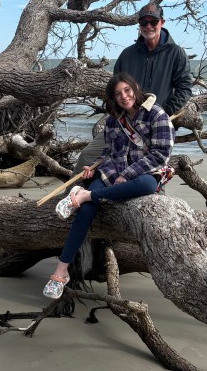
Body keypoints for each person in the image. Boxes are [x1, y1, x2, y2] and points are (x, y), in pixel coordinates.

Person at [44, 72, 173, 299]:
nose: (124, 97)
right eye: (118, 94)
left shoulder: (157, 114)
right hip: (112, 173)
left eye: (127, 90)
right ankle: (61, 270)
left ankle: (84, 195)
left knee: (147, 186)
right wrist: (93, 167)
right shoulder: (114, 120)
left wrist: (129, 172)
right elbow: (108, 153)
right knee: (85, 211)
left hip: (144, 173)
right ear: (113, 98)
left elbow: (161, 154)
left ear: (135, 88)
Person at [113, 2, 193, 117]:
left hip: (161, 123)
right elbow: (115, 87)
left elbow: (185, 88)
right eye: (144, 22)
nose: (148, 26)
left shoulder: (176, 53)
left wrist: (164, 112)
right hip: (129, 122)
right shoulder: (126, 55)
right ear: (139, 25)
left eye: (153, 22)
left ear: (162, 22)